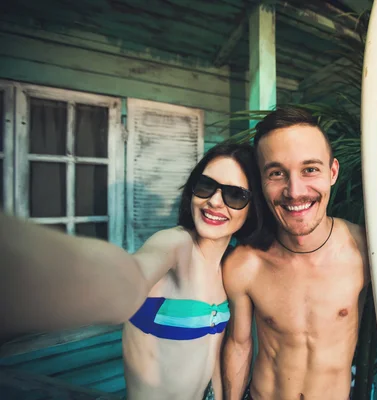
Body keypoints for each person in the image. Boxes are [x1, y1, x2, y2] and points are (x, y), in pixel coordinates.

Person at [0, 142, 270, 400]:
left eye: (235, 195)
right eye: (206, 186)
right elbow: (130, 276)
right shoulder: (175, 243)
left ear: (252, 207)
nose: (214, 201)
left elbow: (212, 358)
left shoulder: (227, 264)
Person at [221, 107, 371, 400]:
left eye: (310, 169)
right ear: (261, 183)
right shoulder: (245, 264)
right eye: (276, 173)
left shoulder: (368, 251)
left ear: (333, 172)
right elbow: (239, 346)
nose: (294, 190)